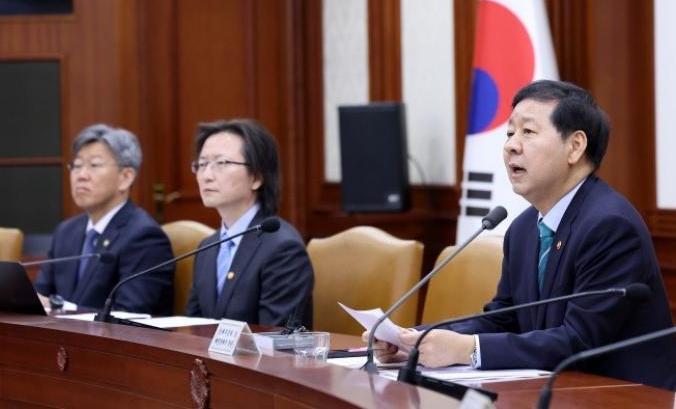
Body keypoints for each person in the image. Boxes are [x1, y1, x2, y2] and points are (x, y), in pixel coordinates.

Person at [370, 80, 676, 390]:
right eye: (509, 133)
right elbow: (504, 318)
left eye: (528, 132)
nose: (511, 146)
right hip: (555, 391)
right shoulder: (523, 229)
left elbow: (579, 339)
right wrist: (416, 340)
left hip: (622, 396)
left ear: (575, 146)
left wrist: (469, 349)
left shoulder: (610, 226)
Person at [184, 119, 314, 327]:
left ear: (256, 177)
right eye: (202, 164)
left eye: (222, 163)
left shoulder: (283, 249)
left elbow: (275, 337)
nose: (206, 176)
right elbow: (193, 327)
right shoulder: (207, 247)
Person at [34, 124, 174, 315]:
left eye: (94, 165)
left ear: (126, 177)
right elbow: (40, 296)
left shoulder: (144, 237)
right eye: (77, 165)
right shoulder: (66, 231)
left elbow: (129, 315)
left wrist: (62, 308)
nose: (81, 175)